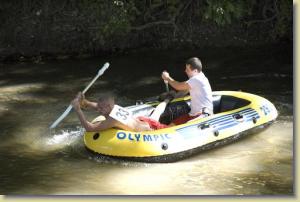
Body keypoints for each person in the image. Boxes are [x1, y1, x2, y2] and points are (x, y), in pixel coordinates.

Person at [71, 92, 174, 132]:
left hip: (148, 130)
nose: (98, 110)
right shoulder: (114, 107)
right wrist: (83, 101)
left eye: (101, 108)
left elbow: (90, 128)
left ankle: (167, 100)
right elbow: (96, 105)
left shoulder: (113, 119)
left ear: (108, 106)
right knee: (156, 113)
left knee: (161, 120)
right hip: (142, 121)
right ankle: (167, 99)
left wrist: (78, 110)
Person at [161, 57, 213, 125]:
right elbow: (184, 91)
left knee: (183, 127)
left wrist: (167, 78)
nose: (185, 71)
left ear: (195, 71)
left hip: (203, 115)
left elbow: (178, 86)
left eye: (188, 69)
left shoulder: (197, 79)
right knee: (172, 125)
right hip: (192, 114)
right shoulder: (199, 77)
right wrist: (172, 98)